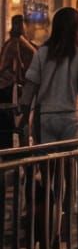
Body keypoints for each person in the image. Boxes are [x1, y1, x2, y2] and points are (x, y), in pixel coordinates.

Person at [18, 6, 78, 144]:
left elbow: (31, 84)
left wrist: (24, 108)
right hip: (72, 115)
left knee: (47, 161)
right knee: (70, 161)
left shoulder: (42, 52)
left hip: (46, 116)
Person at [0, 13, 37, 149]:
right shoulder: (15, 44)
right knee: (14, 126)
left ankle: (14, 157)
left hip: (15, 88)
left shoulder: (15, 44)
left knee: (15, 126)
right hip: (10, 89)